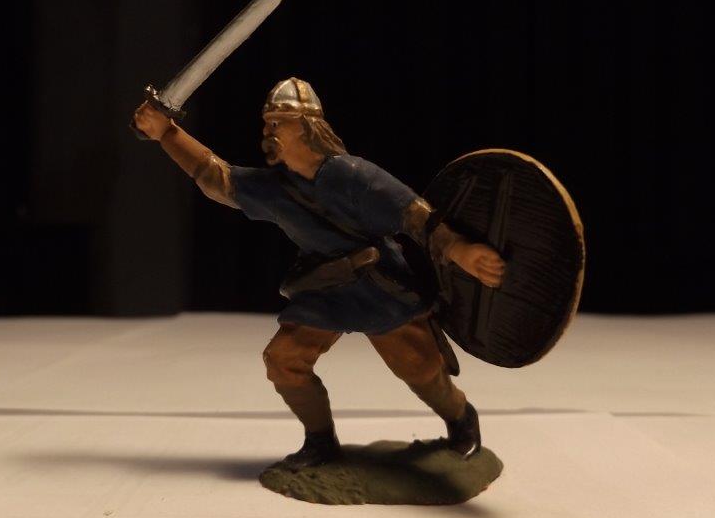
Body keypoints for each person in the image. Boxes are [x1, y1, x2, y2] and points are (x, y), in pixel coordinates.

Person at [133, 78, 505, 467]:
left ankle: (462, 421)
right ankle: (320, 441)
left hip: (382, 287)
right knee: (283, 359)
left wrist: (458, 248)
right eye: (268, 122)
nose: (269, 131)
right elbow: (216, 179)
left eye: (279, 123)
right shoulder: (275, 187)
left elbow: (415, 215)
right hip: (327, 287)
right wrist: (166, 133)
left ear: (307, 127)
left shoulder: (354, 176)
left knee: (421, 370)